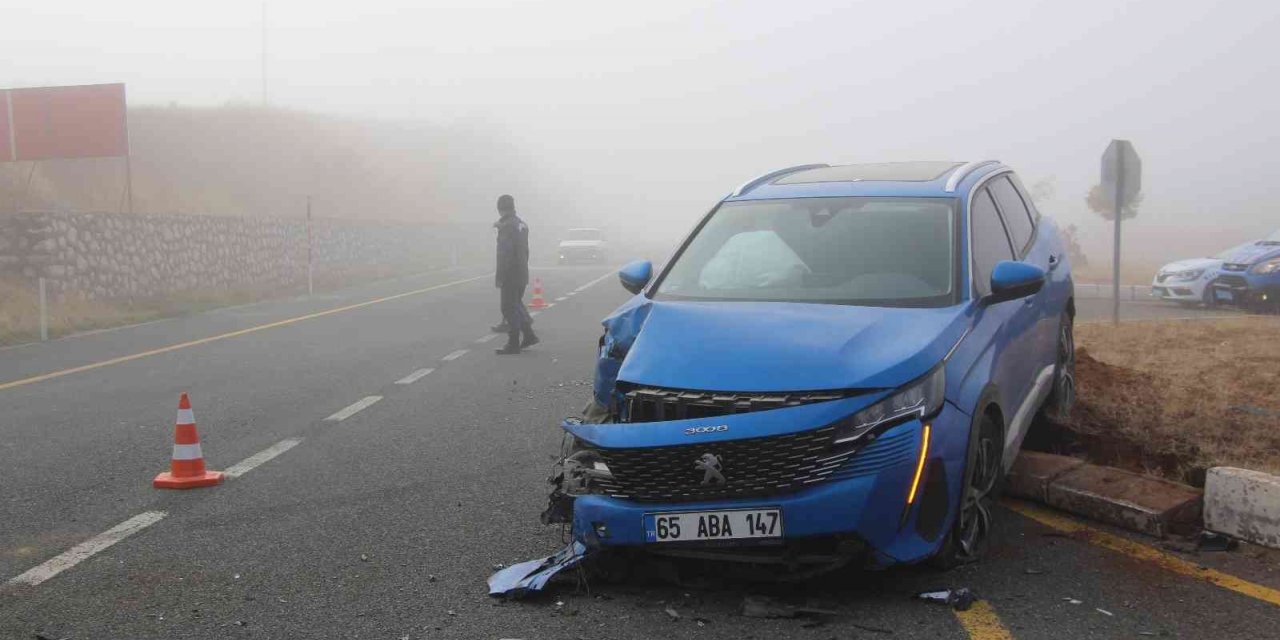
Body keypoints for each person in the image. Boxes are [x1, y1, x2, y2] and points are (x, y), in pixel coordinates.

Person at [493, 194, 538, 354]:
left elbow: (505, 253)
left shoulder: (507, 226)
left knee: (507, 307)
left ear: (500, 209)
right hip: (521, 270)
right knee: (516, 304)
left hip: (510, 273)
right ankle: (529, 334)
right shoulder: (521, 224)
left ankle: (513, 343)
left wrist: (501, 276)